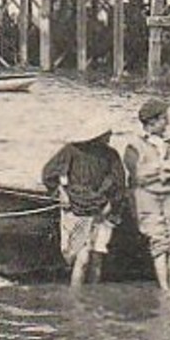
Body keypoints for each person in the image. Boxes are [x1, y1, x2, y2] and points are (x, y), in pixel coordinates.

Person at [41, 114, 127, 286]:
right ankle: (77, 299)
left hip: (102, 210)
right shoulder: (72, 150)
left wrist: (110, 205)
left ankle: (90, 295)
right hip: (76, 206)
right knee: (82, 257)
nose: (110, 136)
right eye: (107, 133)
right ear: (97, 136)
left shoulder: (111, 155)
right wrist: (61, 192)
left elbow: (119, 184)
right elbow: (49, 173)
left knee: (96, 257)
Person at [123, 98, 170, 298]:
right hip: (147, 198)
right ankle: (164, 287)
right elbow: (138, 174)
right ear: (152, 121)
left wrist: (157, 172)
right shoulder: (134, 146)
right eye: (164, 119)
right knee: (158, 239)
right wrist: (166, 172)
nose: (167, 123)